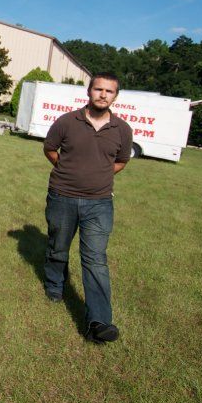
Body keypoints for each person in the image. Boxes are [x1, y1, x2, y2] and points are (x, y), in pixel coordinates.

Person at [42, 72, 132, 344]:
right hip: (62, 197)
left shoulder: (122, 129)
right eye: (99, 89)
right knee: (58, 247)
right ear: (89, 91)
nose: (103, 95)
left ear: (115, 96)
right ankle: (55, 286)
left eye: (110, 91)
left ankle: (99, 322)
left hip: (100, 203)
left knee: (95, 259)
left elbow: (121, 161)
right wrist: (68, 171)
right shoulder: (67, 122)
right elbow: (50, 149)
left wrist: (98, 176)